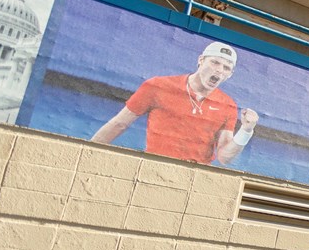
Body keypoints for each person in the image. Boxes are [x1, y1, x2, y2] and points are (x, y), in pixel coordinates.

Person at [91, 41, 258, 165]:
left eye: (226, 68)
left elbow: (224, 157)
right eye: (215, 62)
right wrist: (88, 152)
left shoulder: (228, 105)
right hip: (155, 168)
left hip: (195, 177)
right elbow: (119, 124)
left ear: (229, 74)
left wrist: (246, 130)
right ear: (201, 60)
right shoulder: (158, 86)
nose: (219, 70)